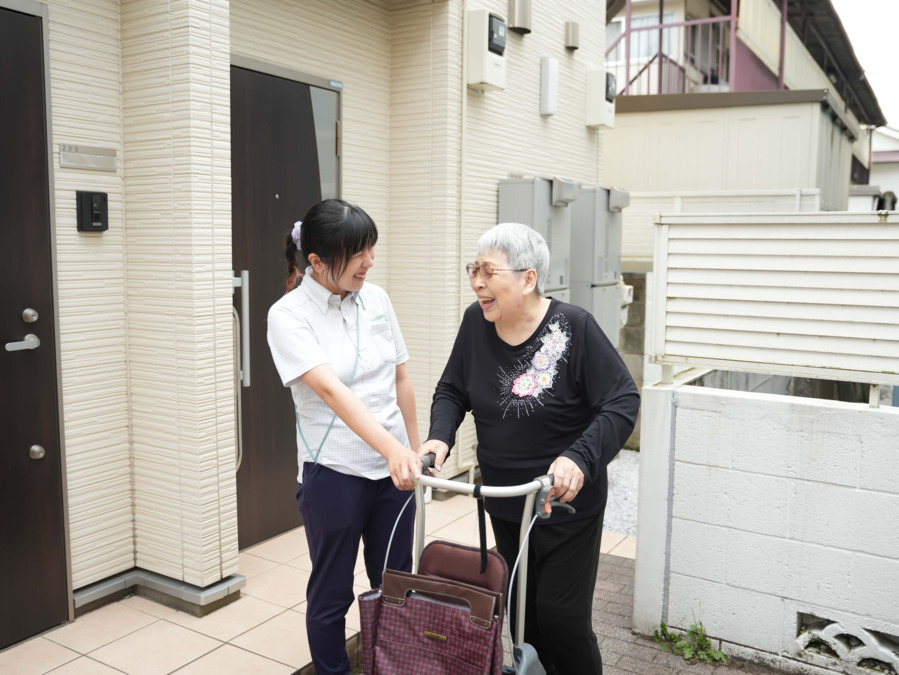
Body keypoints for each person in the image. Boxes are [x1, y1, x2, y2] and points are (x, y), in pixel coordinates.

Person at [419, 222, 639, 675]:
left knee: (562, 618)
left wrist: (579, 457)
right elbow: (451, 390)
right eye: (473, 270)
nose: (477, 281)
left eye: (488, 271)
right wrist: (440, 436)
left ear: (528, 278)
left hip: (563, 506)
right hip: (507, 504)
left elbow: (622, 400)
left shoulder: (574, 326)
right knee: (522, 620)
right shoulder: (474, 324)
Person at [267, 198, 421, 675]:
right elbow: (331, 390)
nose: (369, 262)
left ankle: (390, 667)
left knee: (395, 586)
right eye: (357, 254)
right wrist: (394, 448)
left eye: (370, 249)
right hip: (333, 472)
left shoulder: (376, 299)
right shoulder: (288, 315)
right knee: (332, 591)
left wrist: (413, 452)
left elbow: (400, 379)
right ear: (316, 261)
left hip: (393, 472)